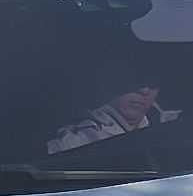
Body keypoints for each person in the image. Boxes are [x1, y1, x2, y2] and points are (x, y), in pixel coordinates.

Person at [47, 60, 182, 155]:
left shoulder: (178, 126)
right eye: (136, 80)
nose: (144, 90)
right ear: (108, 84)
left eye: (152, 83)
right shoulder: (76, 141)